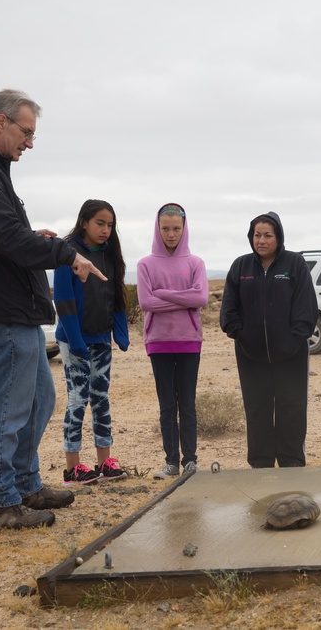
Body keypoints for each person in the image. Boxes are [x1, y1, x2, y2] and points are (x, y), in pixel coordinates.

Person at [0, 89, 105, 533]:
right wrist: (65, 254)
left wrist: (34, 235)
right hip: (3, 308)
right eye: (26, 132)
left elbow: (2, 233)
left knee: (37, 399)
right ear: (1, 122)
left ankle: (22, 484)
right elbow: (5, 239)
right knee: (6, 408)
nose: (30, 142)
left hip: (17, 308)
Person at [220, 212, 317, 468]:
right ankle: (260, 463)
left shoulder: (294, 264)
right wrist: (241, 336)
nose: (261, 240)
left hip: (291, 354)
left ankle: (291, 461)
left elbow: (306, 308)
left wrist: (294, 339)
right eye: (257, 235)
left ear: (278, 237)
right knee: (257, 409)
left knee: (292, 409)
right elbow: (229, 311)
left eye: (267, 235)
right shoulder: (240, 267)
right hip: (251, 355)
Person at [54, 200, 130, 486]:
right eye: (100, 223)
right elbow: (63, 298)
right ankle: (72, 468)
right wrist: (74, 340)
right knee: (77, 399)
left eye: (110, 225)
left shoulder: (109, 253)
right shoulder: (67, 252)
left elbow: (116, 295)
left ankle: (104, 463)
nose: (106, 230)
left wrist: (120, 332)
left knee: (101, 398)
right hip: (75, 339)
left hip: (101, 339)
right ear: (84, 221)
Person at [137, 204, 208, 480]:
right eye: (165, 228)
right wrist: (183, 297)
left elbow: (200, 299)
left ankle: (190, 460)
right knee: (167, 404)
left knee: (187, 403)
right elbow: (145, 302)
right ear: (157, 228)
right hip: (159, 342)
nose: (170, 234)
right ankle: (171, 462)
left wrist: (163, 293)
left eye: (176, 228)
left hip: (189, 341)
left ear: (184, 228)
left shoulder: (195, 263)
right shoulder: (145, 264)